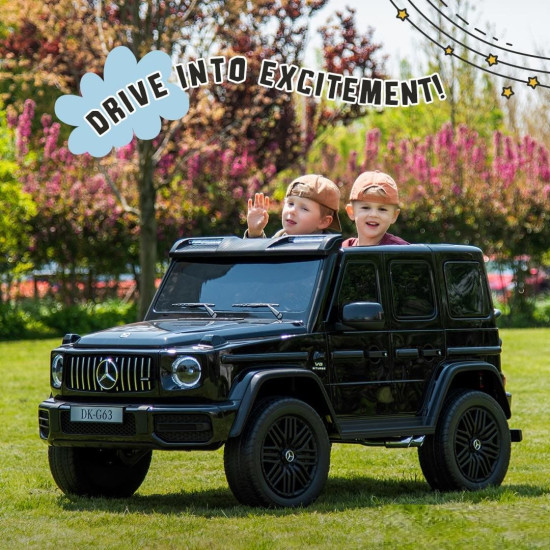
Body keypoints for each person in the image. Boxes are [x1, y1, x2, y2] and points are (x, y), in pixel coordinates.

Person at [245, 174, 341, 238]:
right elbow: (261, 260)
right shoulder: (279, 239)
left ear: (324, 221)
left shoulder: (327, 249)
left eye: (304, 208)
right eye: (290, 203)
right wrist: (254, 233)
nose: (292, 211)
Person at [342, 170, 409, 247]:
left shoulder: (400, 250)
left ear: (394, 216)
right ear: (351, 211)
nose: (373, 214)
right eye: (365, 207)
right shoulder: (343, 249)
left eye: (382, 209)